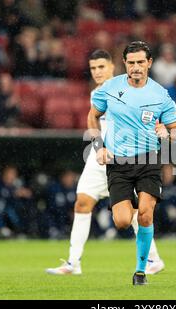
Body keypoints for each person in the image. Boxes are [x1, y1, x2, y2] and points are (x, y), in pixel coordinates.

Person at [46, 49, 165, 277]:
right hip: (100, 156)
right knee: (82, 202)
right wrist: (99, 148)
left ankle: (153, 258)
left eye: (101, 67)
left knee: (133, 211)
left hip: (126, 158)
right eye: (93, 68)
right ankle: (73, 263)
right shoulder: (96, 93)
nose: (97, 72)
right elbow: (93, 122)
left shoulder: (130, 89)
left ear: (113, 67)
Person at [88, 42, 176, 285]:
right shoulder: (110, 88)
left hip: (149, 160)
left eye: (141, 62)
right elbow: (93, 115)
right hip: (118, 163)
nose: (136, 67)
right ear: (125, 64)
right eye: (131, 63)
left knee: (144, 213)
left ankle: (141, 270)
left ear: (149, 63)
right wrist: (99, 147)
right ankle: (142, 233)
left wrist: (166, 132)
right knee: (121, 221)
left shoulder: (160, 95)